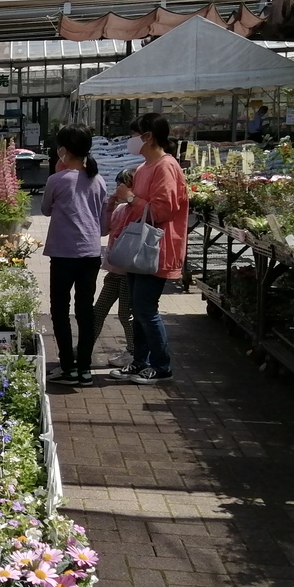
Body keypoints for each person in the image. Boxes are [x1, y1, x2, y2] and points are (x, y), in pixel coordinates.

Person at [109, 112, 190, 385]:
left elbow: (163, 211)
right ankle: (140, 361)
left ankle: (161, 365)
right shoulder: (144, 168)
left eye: (134, 134)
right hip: (139, 248)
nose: (130, 139)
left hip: (155, 248)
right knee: (138, 308)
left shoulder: (166, 166)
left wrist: (131, 198)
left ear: (148, 137)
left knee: (146, 309)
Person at [41, 125, 106, 387]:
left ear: (64, 150)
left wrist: (58, 172)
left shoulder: (57, 180)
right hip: (90, 252)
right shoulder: (98, 180)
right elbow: (103, 223)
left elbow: (45, 209)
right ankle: (85, 368)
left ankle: (68, 366)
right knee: (85, 310)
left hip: (63, 253)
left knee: (60, 309)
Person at [91, 165, 137, 368]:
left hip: (128, 272)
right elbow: (104, 230)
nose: (118, 188)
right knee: (98, 311)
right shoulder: (119, 210)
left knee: (125, 314)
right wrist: (109, 208)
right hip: (114, 271)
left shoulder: (137, 210)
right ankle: (85, 347)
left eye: (122, 185)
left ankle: (133, 352)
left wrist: (131, 200)